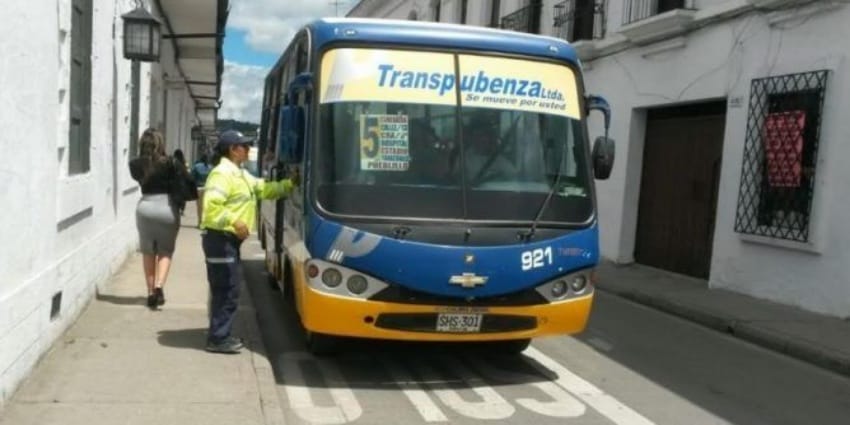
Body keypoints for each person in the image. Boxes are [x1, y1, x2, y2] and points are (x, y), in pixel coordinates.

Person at [201, 129, 298, 353]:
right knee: (227, 289)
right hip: (220, 239)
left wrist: (290, 184)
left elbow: (263, 188)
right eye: (244, 146)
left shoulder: (240, 174)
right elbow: (211, 206)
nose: (247, 149)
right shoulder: (222, 174)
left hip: (229, 241)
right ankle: (218, 339)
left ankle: (220, 334)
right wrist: (235, 221)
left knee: (227, 288)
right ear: (233, 150)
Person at [128, 129, 189, 309]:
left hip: (145, 207)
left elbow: (138, 177)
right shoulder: (171, 163)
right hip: (167, 208)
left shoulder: (135, 165)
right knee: (165, 251)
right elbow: (184, 181)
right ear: (160, 143)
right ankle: (159, 285)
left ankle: (150, 292)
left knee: (148, 251)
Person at [463, 111, 517, 183]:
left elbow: (515, 181)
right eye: (478, 135)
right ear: (471, 137)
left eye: (486, 135)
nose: (483, 139)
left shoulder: (501, 162)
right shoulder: (462, 160)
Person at [191, 154, 213, 227]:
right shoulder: (210, 167)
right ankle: (206, 222)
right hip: (208, 189)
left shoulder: (197, 166)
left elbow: (192, 177)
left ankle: (200, 223)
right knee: (206, 207)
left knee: (199, 207)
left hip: (199, 189)